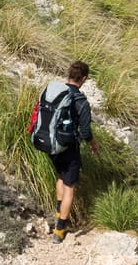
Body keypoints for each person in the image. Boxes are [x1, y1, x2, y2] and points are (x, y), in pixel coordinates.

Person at [37, 60, 98, 242]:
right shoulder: (80, 101)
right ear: (84, 78)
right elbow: (86, 132)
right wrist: (93, 143)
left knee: (61, 177)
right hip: (69, 146)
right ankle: (60, 230)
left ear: (69, 75)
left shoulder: (58, 93)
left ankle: (58, 213)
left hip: (52, 144)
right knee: (70, 187)